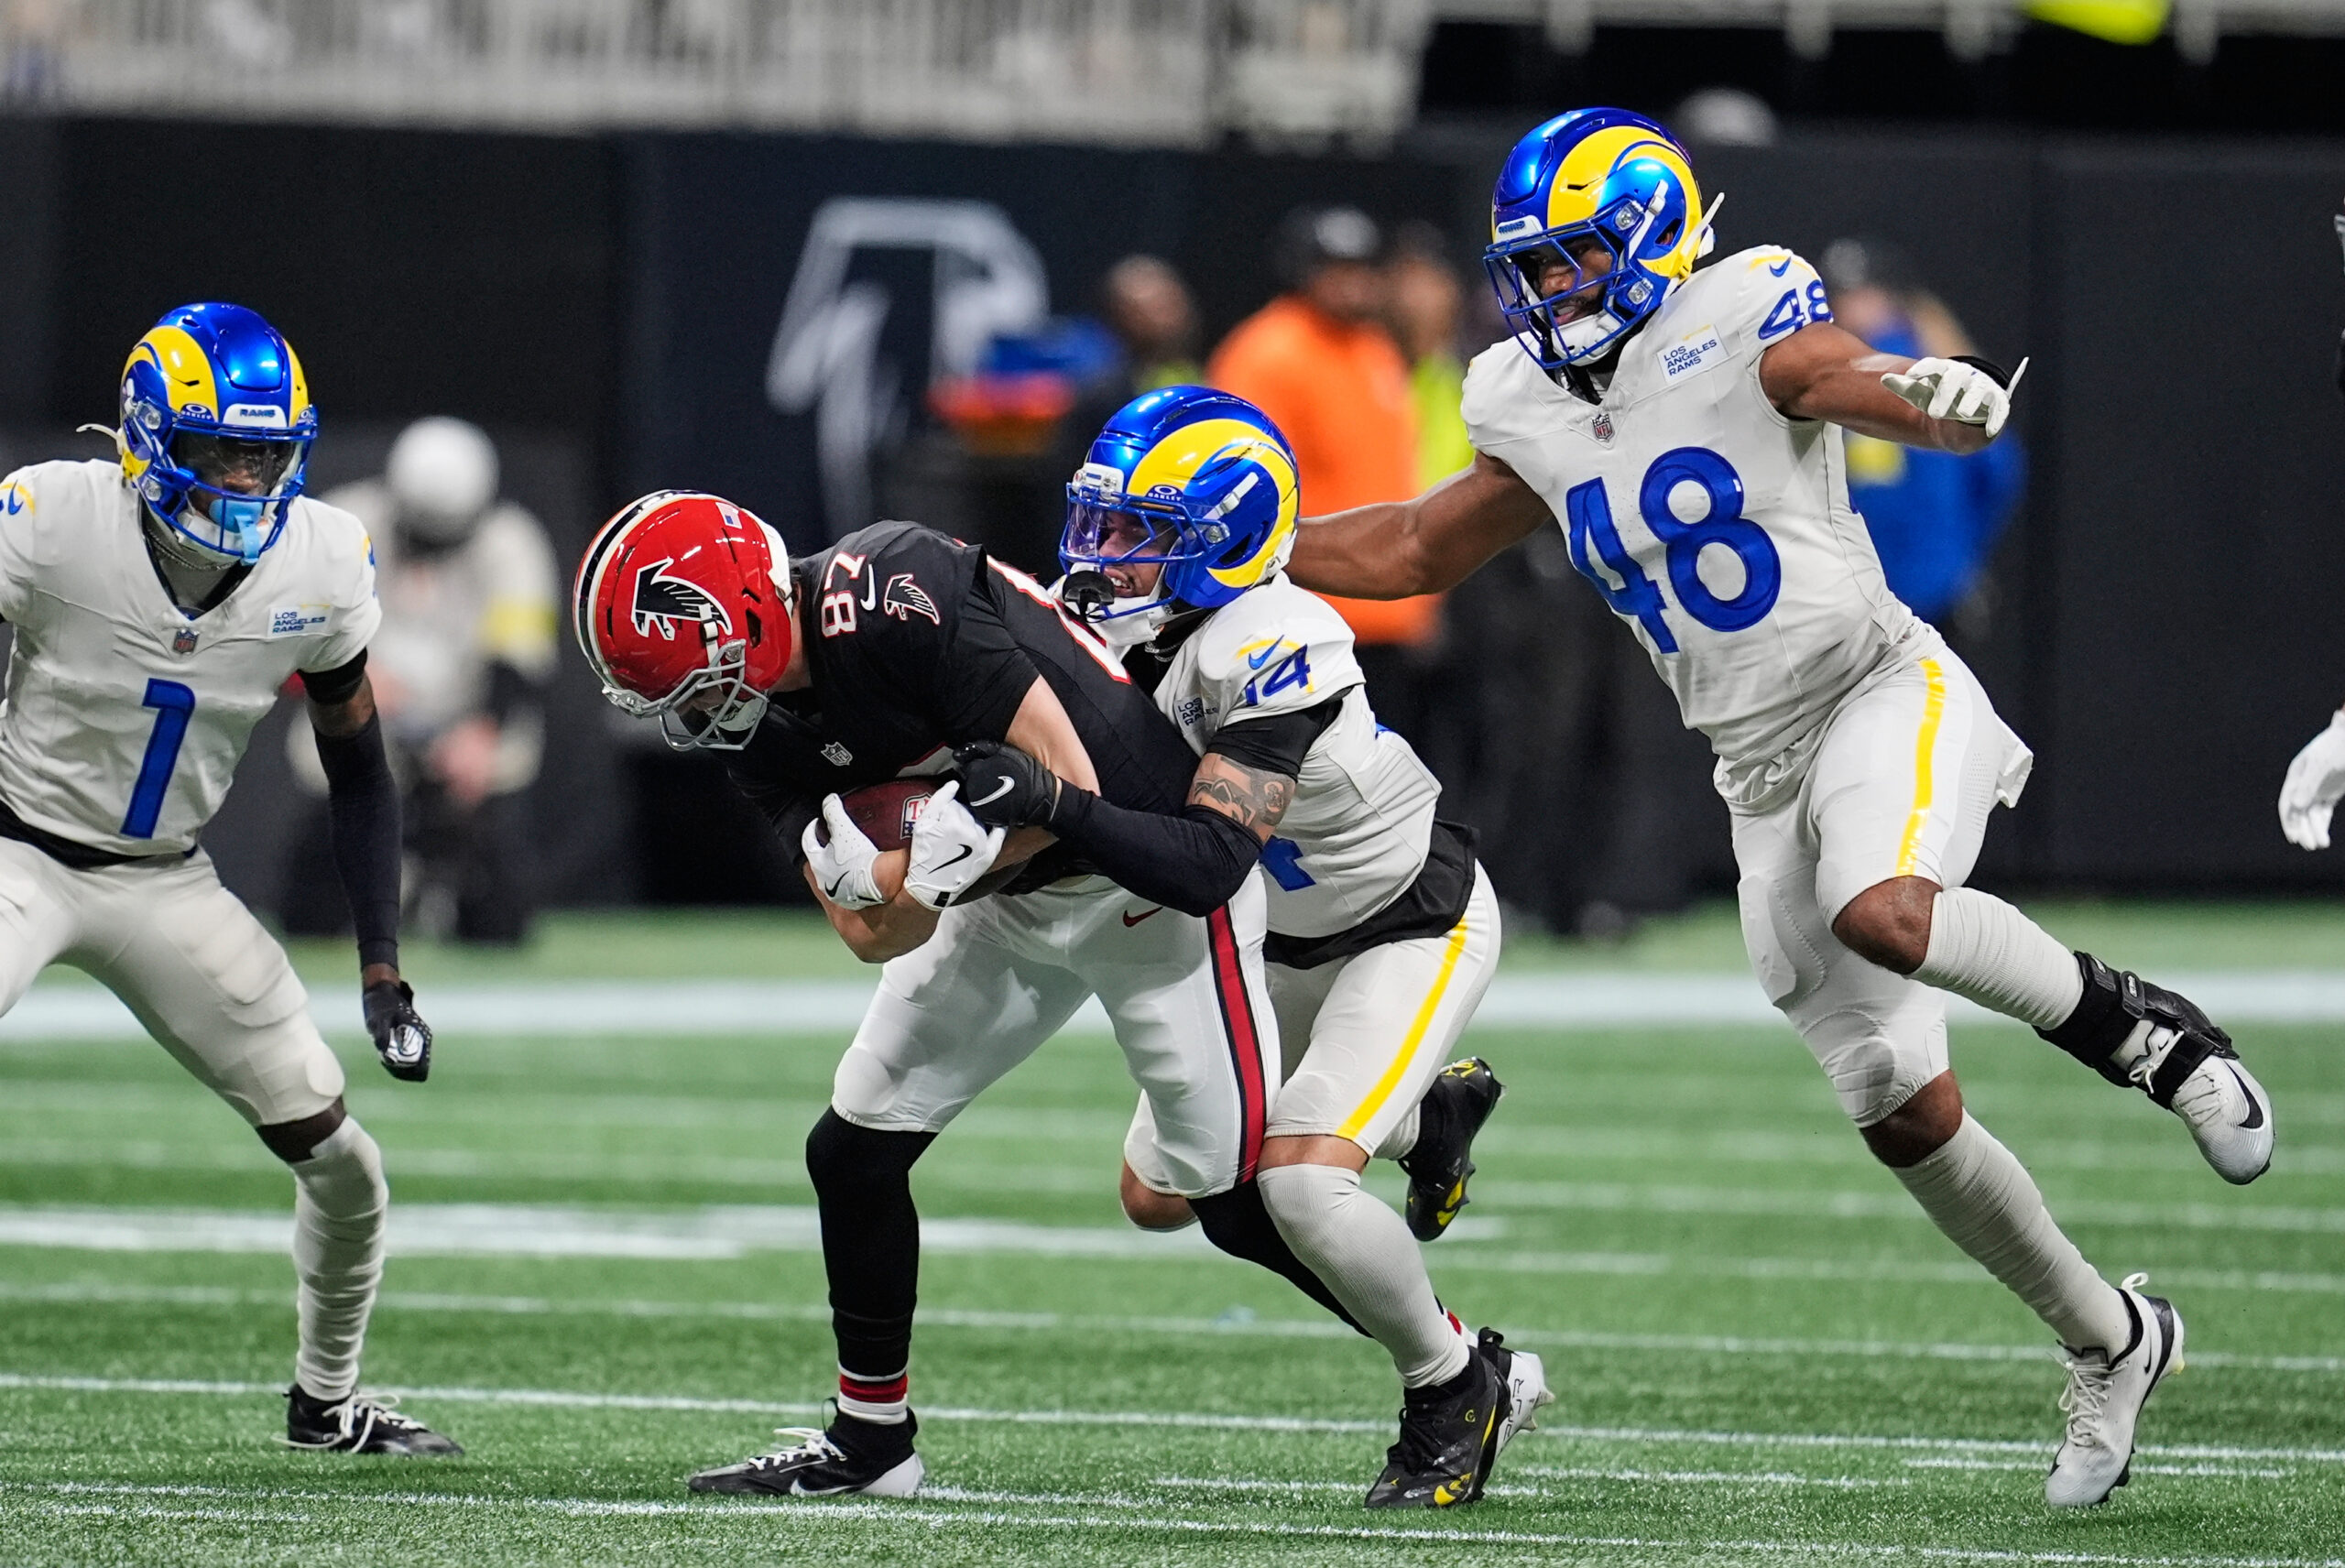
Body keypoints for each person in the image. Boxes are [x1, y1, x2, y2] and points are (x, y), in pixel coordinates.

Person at [1282, 110, 2276, 1510]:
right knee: (1898, 1111)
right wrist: (1245, 550)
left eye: (1575, 262)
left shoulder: (1741, 301)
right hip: (1754, 770)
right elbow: (1412, 544)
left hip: (1877, 685)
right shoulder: (1522, 396)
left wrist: (1923, 393)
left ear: (1651, 239)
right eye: (1533, 268)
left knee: (1888, 906)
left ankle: (2152, 1037)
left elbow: (1831, 374)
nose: (1547, 294)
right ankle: (2114, 1340)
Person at [573, 491, 1363, 1501]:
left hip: (1132, 872)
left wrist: (951, 861)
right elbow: (872, 933)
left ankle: (1452, 1359)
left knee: (1228, 1196)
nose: (698, 709)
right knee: (854, 1144)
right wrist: (922, 880)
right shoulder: (753, 721)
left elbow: (1066, 782)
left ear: (756, 614)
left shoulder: (895, 591)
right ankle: (873, 1442)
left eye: (699, 677)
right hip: (1001, 896)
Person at [954, 387, 1548, 1508]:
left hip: (1402, 924)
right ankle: (1429, 1112)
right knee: (1160, 1193)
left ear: (1222, 540)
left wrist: (1049, 805)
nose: (1103, 556)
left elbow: (1205, 851)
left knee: (1299, 1187)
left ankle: (1454, 1382)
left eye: (1140, 534)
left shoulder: (1273, 639)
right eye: (1099, 522)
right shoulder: (1124, 629)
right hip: (1273, 941)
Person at [0, 303, 455, 1454]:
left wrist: (383, 966)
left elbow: (362, 771)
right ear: (150, 438)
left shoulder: (322, 559)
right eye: (221, 449)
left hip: (167, 882)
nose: (248, 477)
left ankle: (328, 1402)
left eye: (268, 451)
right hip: (19, 848)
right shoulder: (53, 519)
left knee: (346, 1167)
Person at [288, 416, 559, 943]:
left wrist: (481, 733)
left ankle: (449, 901)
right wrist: (348, 674)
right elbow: (287, 633)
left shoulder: (512, 544)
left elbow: (520, 658)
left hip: (465, 718)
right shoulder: (345, 522)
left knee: (501, 926)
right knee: (309, 915)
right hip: (361, 709)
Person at [1208, 208, 1441, 733]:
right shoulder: (1266, 352)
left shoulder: (1374, 348)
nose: (1352, 284)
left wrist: (1422, 605)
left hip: (1392, 613)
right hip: (1310, 616)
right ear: (1303, 271)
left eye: (1362, 269)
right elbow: (1233, 490)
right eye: (1335, 269)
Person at [1819, 238, 2025, 626]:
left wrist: (1956, 555)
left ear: (1891, 297)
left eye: (1866, 293)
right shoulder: (1832, 372)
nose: (1854, 306)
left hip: (1917, 591)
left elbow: (1999, 470)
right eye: (1843, 296)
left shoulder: (1927, 361)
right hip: (1871, 592)